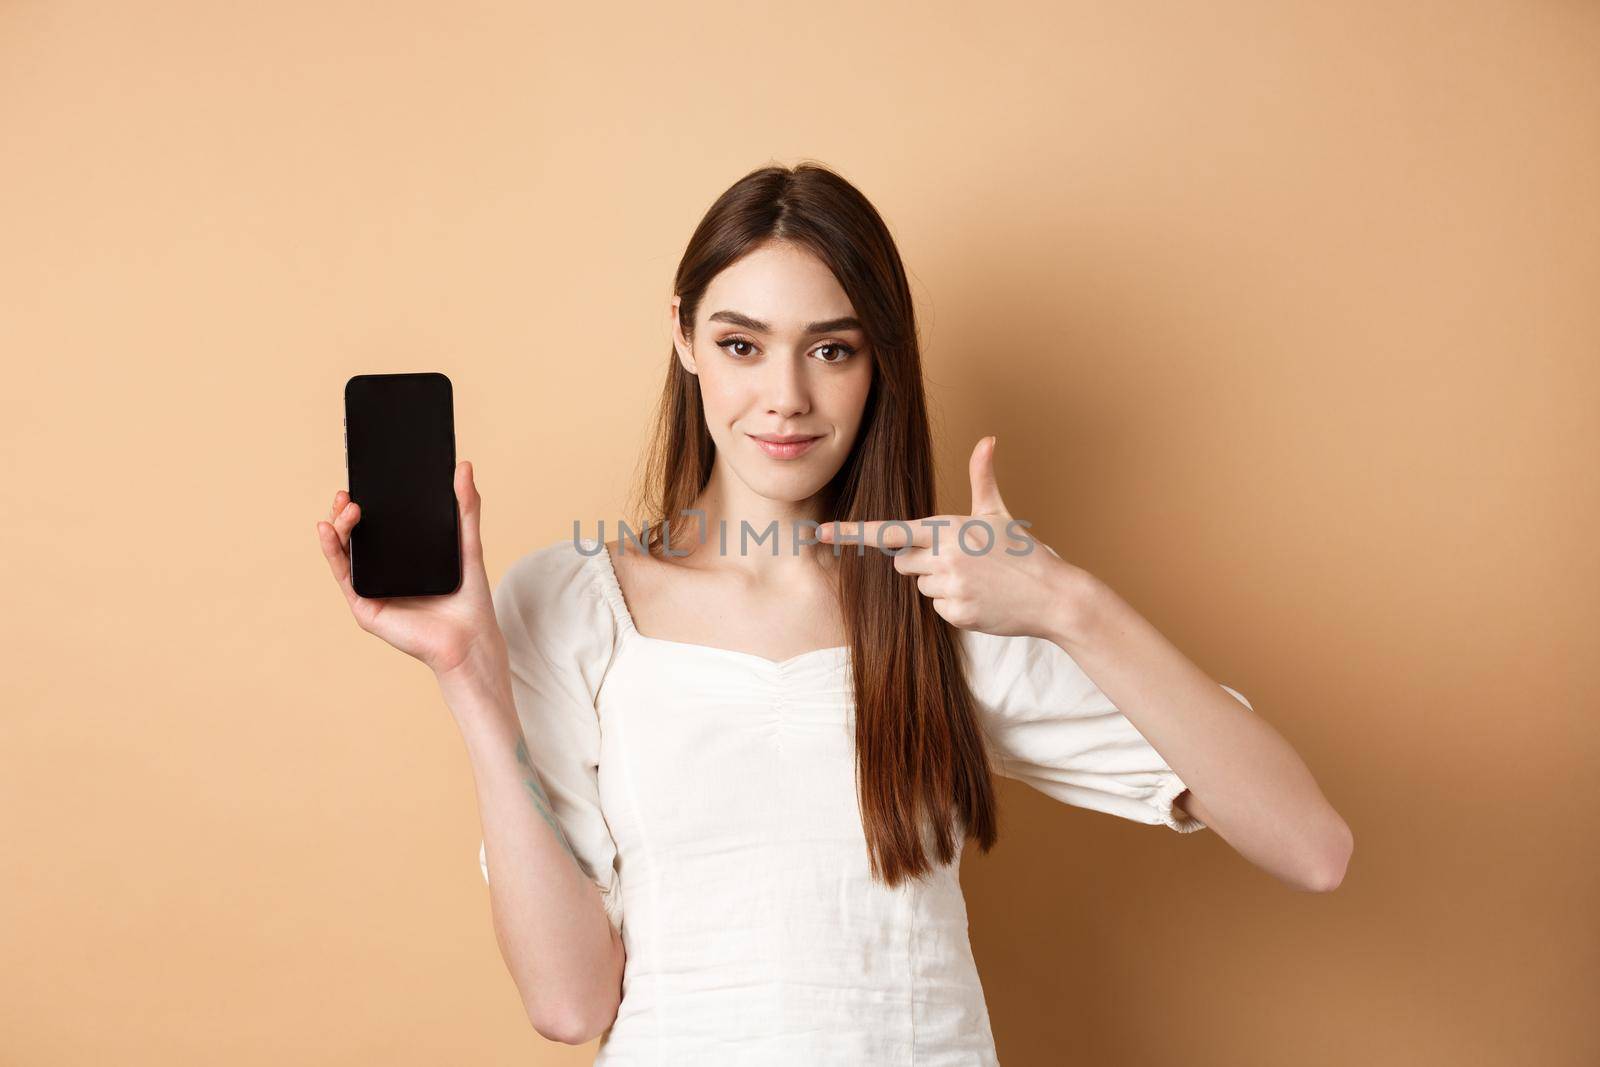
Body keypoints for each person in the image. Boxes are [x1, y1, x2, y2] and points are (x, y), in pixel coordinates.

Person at [315, 162, 1353, 1064]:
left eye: (831, 348)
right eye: (741, 344)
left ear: (879, 360)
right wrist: (471, 677)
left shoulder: (948, 595)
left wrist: (1068, 603)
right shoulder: (568, 601)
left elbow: (1310, 844)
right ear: (682, 338)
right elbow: (569, 999)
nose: (784, 398)